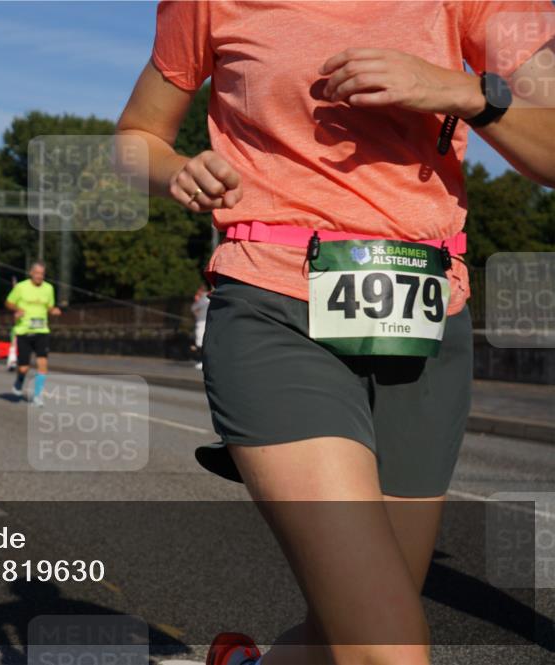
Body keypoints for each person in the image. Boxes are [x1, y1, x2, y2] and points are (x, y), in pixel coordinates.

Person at [117, 3, 555, 665]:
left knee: (343, 629)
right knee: (387, 646)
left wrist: (464, 92)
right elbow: (134, 138)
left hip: (428, 319)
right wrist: (173, 168)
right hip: (275, 302)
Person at [6, 262, 60, 406]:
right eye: (36, 273)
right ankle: (19, 381)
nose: (39, 276)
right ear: (31, 273)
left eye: (42, 274)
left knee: (42, 363)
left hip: (42, 331)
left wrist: (53, 310)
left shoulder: (49, 288)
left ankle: (37, 396)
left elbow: (49, 306)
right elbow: (8, 302)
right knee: (23, 367)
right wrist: (17, 309)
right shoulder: (21, 287)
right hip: (24, 330)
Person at [191, 282, 210, 371]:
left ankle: (202, 361)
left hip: (202, 321)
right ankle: (203, 361)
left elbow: (193, 308)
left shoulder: (204, 298)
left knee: (200, 342)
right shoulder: (210, 297)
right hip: (207, 321)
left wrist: (197, 314)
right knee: (203, 341)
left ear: (201, 290)